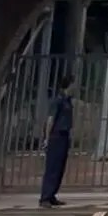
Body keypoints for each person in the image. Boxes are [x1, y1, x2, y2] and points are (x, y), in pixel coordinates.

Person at [40, 75, 75, 207]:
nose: (75, 87)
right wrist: (47, 138)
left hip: (64, 136)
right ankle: (45, 197)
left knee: (60, 168)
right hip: (56, 136)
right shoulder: (58, 100)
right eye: (73, 84)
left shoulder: (68, 101)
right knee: (52, 167)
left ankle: (52, 195)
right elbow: (50, 119)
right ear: (69, 85)